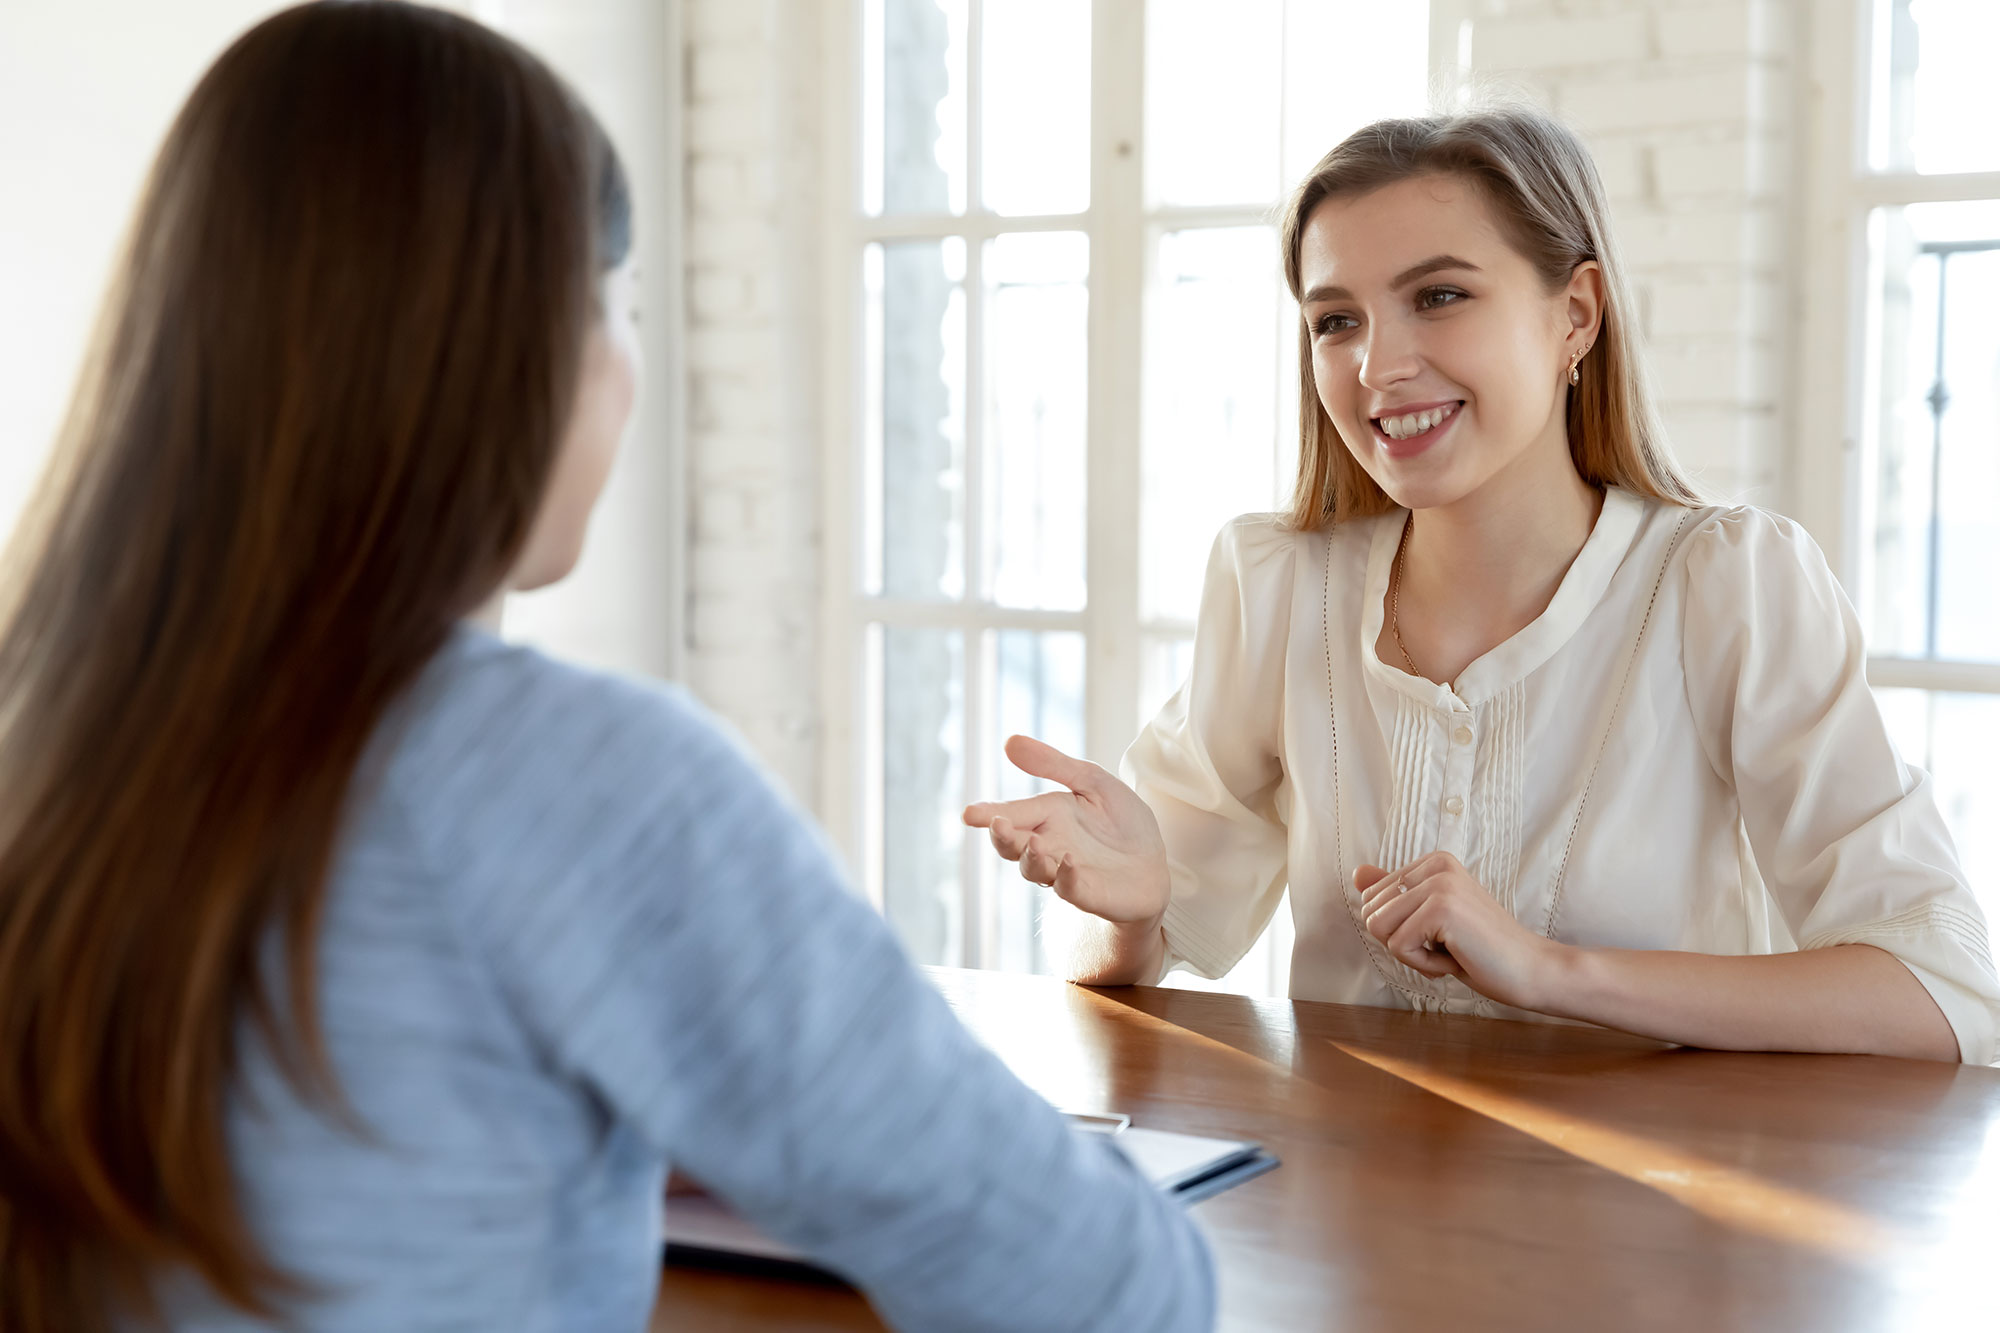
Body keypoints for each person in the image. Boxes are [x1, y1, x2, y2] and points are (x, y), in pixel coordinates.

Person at [0, 5, 1214, 1331]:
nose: (628, 365)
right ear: (516, 344)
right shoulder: (576, 778)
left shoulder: (51, 730)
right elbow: (1104, 1285)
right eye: (620, 304)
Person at [966, 105, 2000, 1066]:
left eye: (1439, 297)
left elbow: (1941, 991)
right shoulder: (1277, 586)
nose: (1375, 366)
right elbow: (1126, 974)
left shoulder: (1726, 585)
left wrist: (1550, 971)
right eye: (1335, 320)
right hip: (1343, 1222)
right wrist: (1134, 911)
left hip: (1652, 1232)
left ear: (1576, 316)